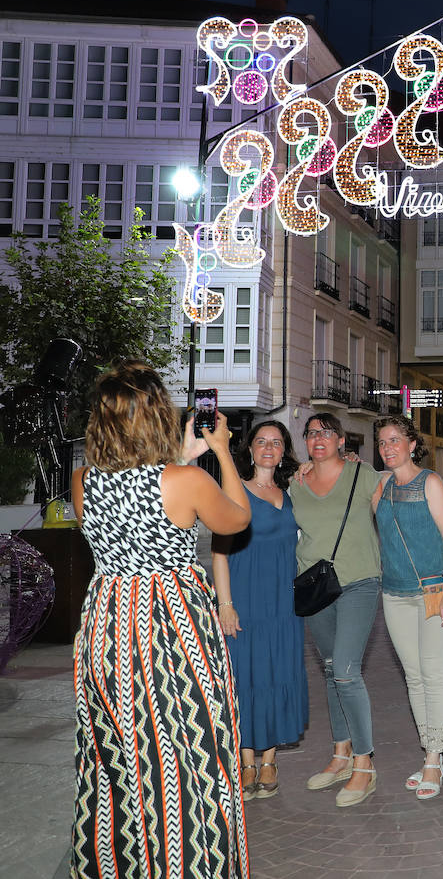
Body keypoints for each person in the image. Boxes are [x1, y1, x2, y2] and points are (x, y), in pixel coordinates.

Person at [72, 360, 252, 878]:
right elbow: (237, 520)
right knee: (190, 761)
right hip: (169, 628)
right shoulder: (186, 481)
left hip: (107, 625)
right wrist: (218, 450)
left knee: (119, 760)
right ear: (156, 416)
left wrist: (181, 457)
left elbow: (137, 483)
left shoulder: (83, 480)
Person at [211, 419, 308, 802]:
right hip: (245, 596)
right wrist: (225, 604)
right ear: (249, 449)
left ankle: (270, 759)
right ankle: (247, 759)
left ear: (284, 451)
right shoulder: (235, 491)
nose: (269, 448)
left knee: (278, 670)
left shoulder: (293, 492)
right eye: (262, 441)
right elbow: (220, 552)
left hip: (284, 599)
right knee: (246, 675)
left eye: (277, 442)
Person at [292, 412, 383, 807]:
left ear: (342, 441)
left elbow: (395, 515)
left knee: (346, 671)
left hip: (360, 581)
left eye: (326, 432)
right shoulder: (296, 484)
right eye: (311, 433)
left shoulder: (364, 476)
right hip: (315, 587)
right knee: (331, 669)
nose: (318, 439)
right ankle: (340, 755)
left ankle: (365, 766)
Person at [372, 415, 443, 801]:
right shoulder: (380, 487)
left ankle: (432, 755)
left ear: (411, 444)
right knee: (413, 677)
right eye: (382, 443)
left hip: (433, 590)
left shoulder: (432, 483)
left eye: (394, 440)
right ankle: (432, 754)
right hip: (394, 594)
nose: (388, 448)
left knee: (433, 673)